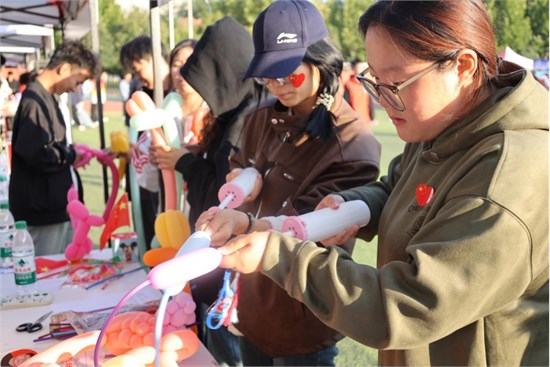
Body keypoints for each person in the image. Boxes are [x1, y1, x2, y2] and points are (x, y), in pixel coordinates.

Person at [207, 1, 549, 366]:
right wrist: (353, 206)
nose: (384, 101)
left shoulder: (508, 175)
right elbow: (397, 187)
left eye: (397, 83)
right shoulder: (442, 124)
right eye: (376, 82)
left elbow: (406, 305)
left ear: (463, 67)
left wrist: (277, 255)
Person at [196, 1, 381, 365]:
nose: (278, 87)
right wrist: (238, 181)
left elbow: (309, 227)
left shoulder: (350, 141)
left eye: (289, 75)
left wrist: (244, 222)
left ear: (321, 63)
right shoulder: (258, 119)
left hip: (302, 312)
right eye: (268, 77)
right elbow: (239, 166)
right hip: (252, 305)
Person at [151, 17, 257, 366]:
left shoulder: (246, 120)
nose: (204, 94)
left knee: (228, 353)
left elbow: (223, 194)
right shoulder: (234, 115)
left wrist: (183, 161)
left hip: (228, 268)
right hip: (215, 261)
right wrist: (192, 156)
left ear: (225, 74)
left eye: (208, 83)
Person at [9, 40, 96, 256]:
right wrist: (71, 154)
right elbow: (37, 153)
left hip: (51, 207)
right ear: (64, 68)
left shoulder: (43, 97)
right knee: (47, 275)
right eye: (78, 81)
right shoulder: (34, 102)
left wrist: (71, 153)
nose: (75, 88)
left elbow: (47, 145)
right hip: (42, 211)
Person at [119, 35, 170, 247]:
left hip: (173, 188)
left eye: (137, 68)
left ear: (152, 59)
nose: (137, 76)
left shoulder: (176, 94)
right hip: (149, 183)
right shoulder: (144, 92)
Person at [344, 58, 375, 124]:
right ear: (353, 69)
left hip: (365, 119)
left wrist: (372, 117)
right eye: (359, 67)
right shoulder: (348, 84)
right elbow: (346, 102)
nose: (362, 68)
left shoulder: (365, 84)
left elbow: (369, 101)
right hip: (353, 119)